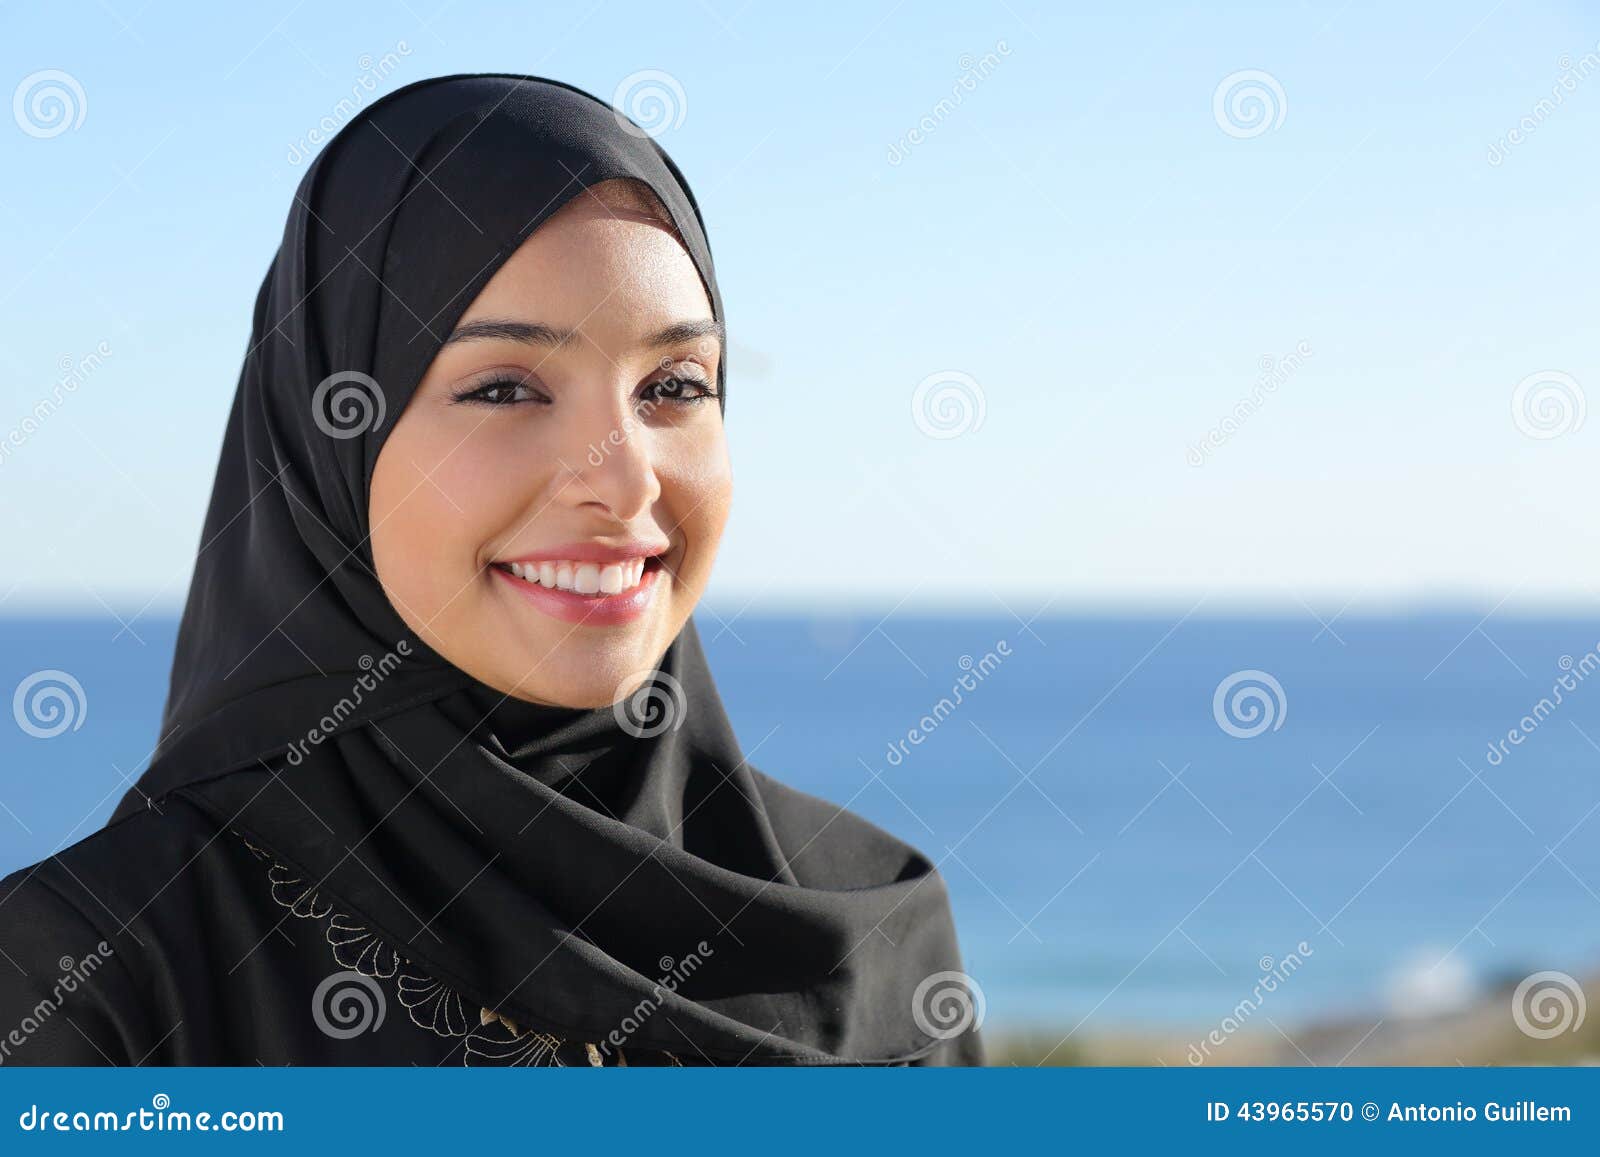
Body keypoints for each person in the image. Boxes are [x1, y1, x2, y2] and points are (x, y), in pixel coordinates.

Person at [0, 74, 983, 1067]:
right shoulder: (95, 965)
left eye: (673, 386)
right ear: (327, 443)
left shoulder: (877, 931)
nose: (625, 477)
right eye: (506, 386)